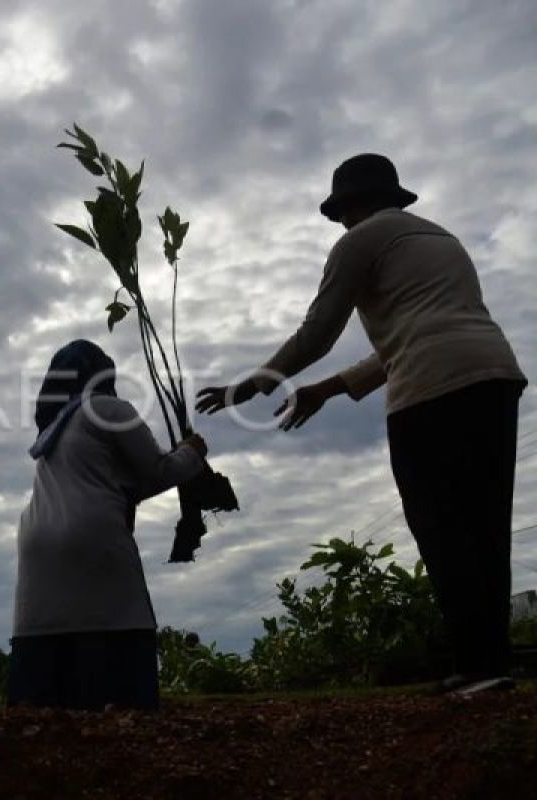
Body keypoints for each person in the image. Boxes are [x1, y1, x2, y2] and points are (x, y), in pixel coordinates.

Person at [196, 153, 527, 694]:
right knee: (485, 525)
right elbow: (413, 337)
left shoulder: (360, 241)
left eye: (340, 213)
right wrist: (327, 389)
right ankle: (490, 665)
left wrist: (251, 384)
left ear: (349, 205)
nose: (340, 224)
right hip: (493, 374)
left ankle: (477, 665)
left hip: (429, 392)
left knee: (441, 526)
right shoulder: (440, 240)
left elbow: (318, 331)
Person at [9, 340, 208, 711]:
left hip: (36, 540)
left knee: (42, 691)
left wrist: (185, 461)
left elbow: (121, 488)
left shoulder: (55, 431)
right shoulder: (107, 408)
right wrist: (192, 453)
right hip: (91, 534)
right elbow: (157, 470)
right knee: (120, 624)